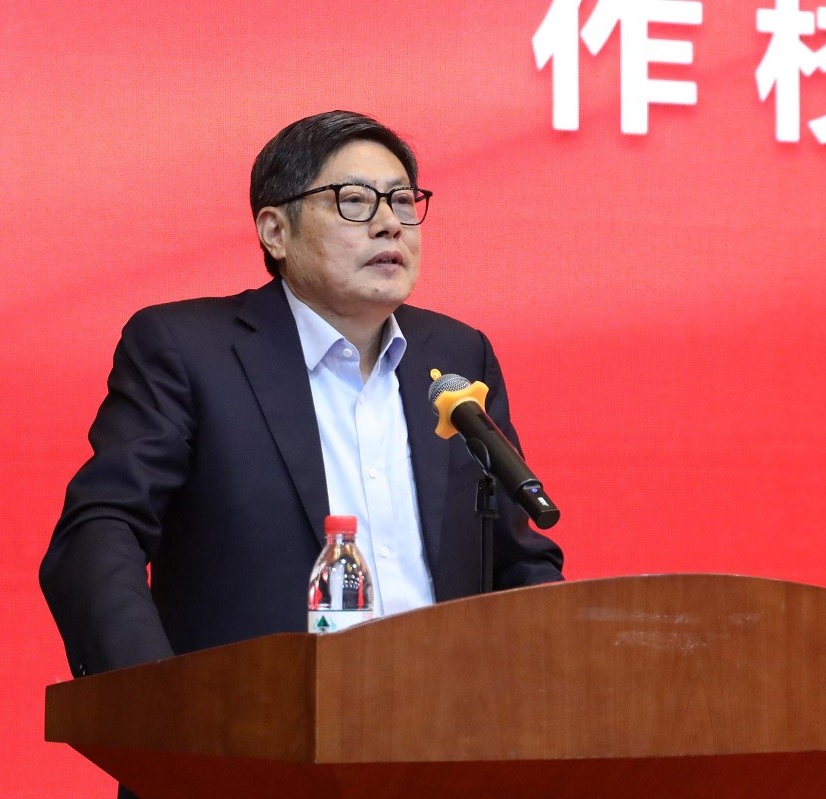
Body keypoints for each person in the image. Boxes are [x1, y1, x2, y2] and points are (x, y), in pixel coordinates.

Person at [40, 108, 563, 685]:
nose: (390, 224)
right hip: (257, 724)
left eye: (402, 201)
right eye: (355, 200)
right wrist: (153, 700)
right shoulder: (188, 351)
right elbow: (101, 531)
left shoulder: (458, 355)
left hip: (442, 722)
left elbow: (516, 557)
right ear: (275, 231)